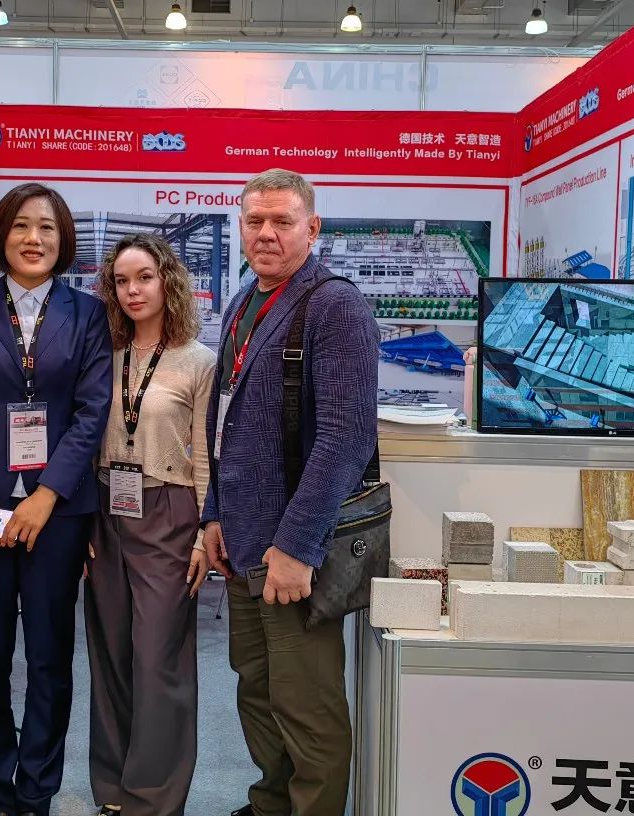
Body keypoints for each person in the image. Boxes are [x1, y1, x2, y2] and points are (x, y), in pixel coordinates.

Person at [201, 169, 379, 816]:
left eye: (282, 221)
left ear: (313, 227)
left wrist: (298, 546)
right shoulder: (245, 302)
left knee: (307, 704)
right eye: (255, 221)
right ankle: (271, 803)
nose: (267, 234)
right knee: (258, 690)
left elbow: (345, 437)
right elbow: (225, 422)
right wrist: (214, 515)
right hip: (243, 540)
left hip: (294, 551)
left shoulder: (334, 306)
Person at [0, 182, 111, 816]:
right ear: (1, 236)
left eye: (47, 228)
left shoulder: (87, 314)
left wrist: (47, 496)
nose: (33, 239)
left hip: (57, 515)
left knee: (50, 659)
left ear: (64, 241)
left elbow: (91, 412)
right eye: (20, 226)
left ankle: (36, 791)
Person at [85, 234, 215, 816]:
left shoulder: (198, 360)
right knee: (110, 653)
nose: (132, 290)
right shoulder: (102, 353)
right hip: (105, 508)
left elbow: (206, 454)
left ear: (168, 282)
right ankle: (114, 789)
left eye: (144, 278)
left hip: (169, 510)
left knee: (158, 658)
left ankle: (154, 799)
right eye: (121, 281)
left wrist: (205, 532)